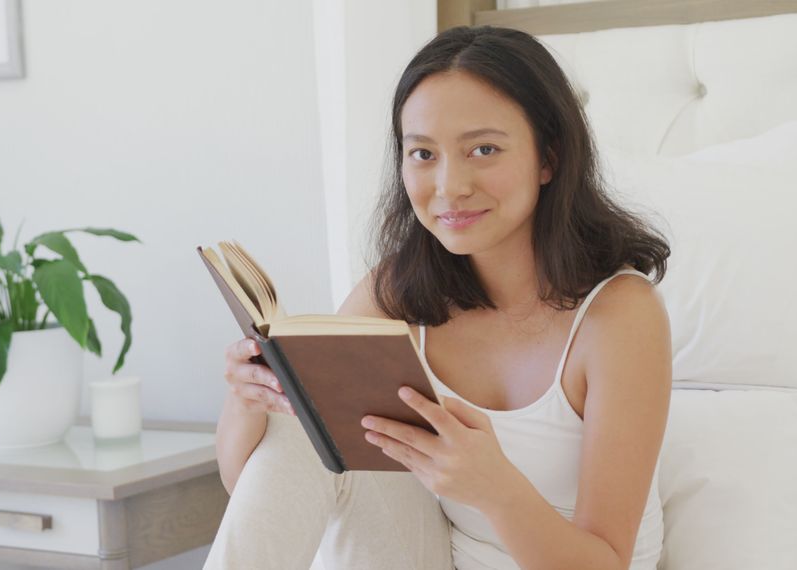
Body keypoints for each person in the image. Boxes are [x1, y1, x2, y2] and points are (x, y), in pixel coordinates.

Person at [205, 24, 672, 570]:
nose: (449, 186)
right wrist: (248, 400)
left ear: (549, 157)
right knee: (302, 417)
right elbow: (272, 502)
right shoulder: (396, 292)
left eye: (483, 149)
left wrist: (493, 487)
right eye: (423, 154)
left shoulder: (619, 315)